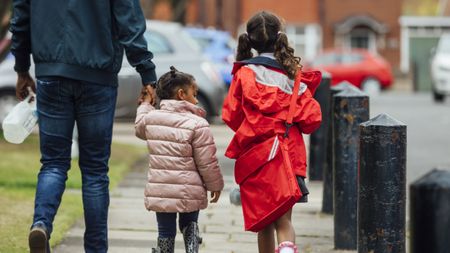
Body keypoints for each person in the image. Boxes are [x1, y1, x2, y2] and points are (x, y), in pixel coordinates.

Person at [9, 1, 157, 252]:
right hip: (98, 77)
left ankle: (41, 224)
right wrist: (147, 73)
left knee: (53, 163)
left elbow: (21, 18)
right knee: (95, 171)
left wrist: (22, 68)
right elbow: (129, 20)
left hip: (51, 74)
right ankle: (96, 248)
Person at [222, 11, 322, 253]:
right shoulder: (292, 77)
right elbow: (312, 120)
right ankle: (287, 249)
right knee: (284, 220)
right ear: (280, 37)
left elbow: (231, 115)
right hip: (288, 155)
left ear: (250, 39)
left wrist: (254, 126)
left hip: (257, 156)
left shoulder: (244, 74)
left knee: (263, 223)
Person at [135, 66, 224, 253]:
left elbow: (139, 127)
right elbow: (206, 161)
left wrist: (145, 103)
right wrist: (215, 185)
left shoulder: (152, 119)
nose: (197, 99)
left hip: (161, 189)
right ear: (182, 94)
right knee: (190, 223)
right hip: (189, 189)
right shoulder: (197, 124)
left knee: (165, 231)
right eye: (195, 93)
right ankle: (192, 248)